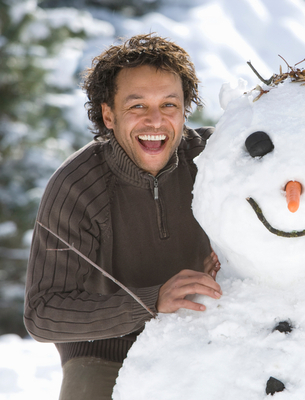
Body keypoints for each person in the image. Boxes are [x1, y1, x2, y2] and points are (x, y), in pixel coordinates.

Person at [23, 33, 222, 400]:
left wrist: (238, 252)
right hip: (104, 351)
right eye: (137, 107)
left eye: (169, 105)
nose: (155, 121)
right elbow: (43, 313)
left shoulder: (216, 158)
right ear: (109, 115)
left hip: (204, 334)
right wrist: (151, 301)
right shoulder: (76, 187)